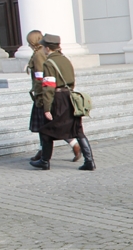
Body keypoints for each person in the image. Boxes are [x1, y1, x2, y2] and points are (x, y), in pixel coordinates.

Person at [30, 34, 95, 171]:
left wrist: (47, 108)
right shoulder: (66, 59)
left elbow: (48, 87)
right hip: (69, 97)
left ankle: (44, 161)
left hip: (57, 99)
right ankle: (89, 161)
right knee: (77, 130)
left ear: (47, 48)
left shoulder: (49, 63)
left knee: (46, 130)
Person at [25, 30, 80, 163]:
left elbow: (40, 77)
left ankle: (45, 156)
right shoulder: (47, 54)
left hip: (44, 94)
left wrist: (40, 97)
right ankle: (46, 151)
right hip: (52, 93)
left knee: (49, 126)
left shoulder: (39, 55)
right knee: (54, 125)